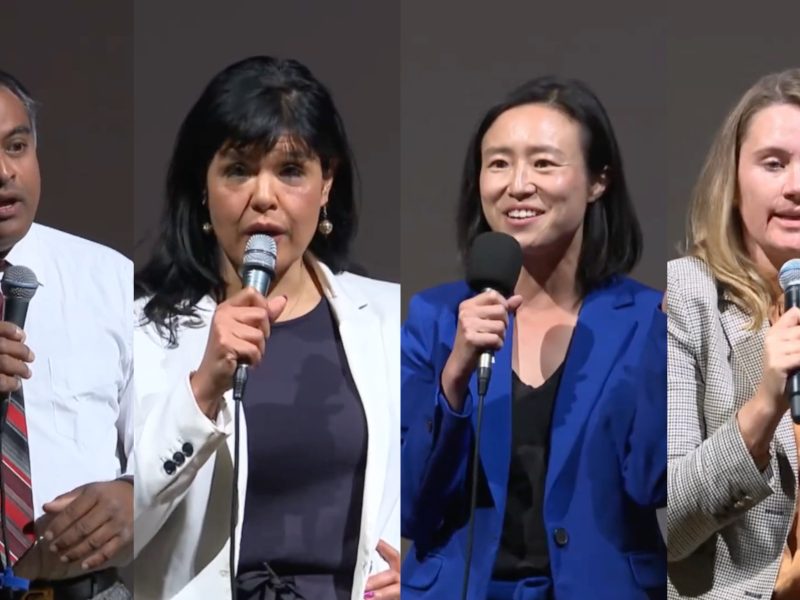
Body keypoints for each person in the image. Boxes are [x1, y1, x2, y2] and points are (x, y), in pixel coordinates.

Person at [133, 56, 400, 600]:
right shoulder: (143, 330)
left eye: (291, 170)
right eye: (237, 170)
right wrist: (203, 387)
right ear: (202, 189)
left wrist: (427, 565)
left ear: (327, 184)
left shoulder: (390, 319)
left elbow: (445, 490)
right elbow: (123, 524)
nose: (263, 196)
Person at [401, 76, 667, 600]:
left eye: (544, 163)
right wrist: (454, 379)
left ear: (598, 181)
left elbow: (652, 484)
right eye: (498, 163)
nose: (517, 185)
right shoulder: (436, 317)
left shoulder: (646, 319)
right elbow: (411, 505)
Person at [667, 69, 800, 599]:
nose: (796, 186)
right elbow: (667, 523)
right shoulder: (684, 300)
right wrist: (763, 408)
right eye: (774, 164)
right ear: (734, 181)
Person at [0, 70, 133, 599]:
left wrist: (135, 498)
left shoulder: (112, 282)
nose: (4, 172)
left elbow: (175, 446)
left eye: (17, 146)